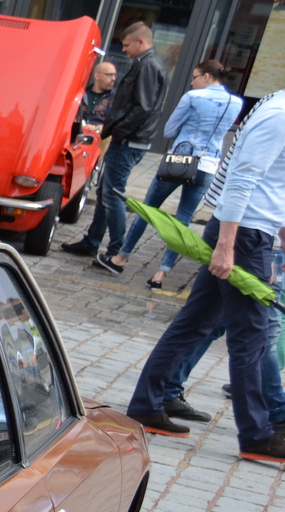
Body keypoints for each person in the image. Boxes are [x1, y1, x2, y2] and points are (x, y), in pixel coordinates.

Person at [124, 88, 285, 464]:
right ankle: (257, 435)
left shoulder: (276, 108)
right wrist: (227, 246)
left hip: (247, 232)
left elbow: (272, 183)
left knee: (195, 323)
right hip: (243, 234)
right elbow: (242, 180)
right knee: (251, 337)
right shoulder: (279, 114)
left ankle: (146, 405)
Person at [102, 60, 243, 281]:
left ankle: (121, 258)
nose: (192, 82)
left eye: (195, 77)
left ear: (206, 77)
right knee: (183, 220)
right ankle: (161, 274)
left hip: (180, 160)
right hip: (208, 164)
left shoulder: (193, 97)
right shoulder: (235, 102)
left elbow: (169, 131)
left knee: (148, 210)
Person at [61, 23, 166, 261]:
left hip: (129, 140)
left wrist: (117, 131)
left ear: (140, 42)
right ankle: (93, 242)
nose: (124, 50)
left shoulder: (148, 66)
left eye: (127, 45)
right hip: (129, 138)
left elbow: (142, 108)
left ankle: (116, 250)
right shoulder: (147, 64)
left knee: (112, 194)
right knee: (106, 191)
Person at [80, 59, 117, 129]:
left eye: (115, 75)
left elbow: (117, 124)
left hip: (100, 134)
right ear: (97, 76)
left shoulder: (116, 98)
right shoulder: (82, 93)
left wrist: (96, 128)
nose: (113, 78)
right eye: (109, 75)